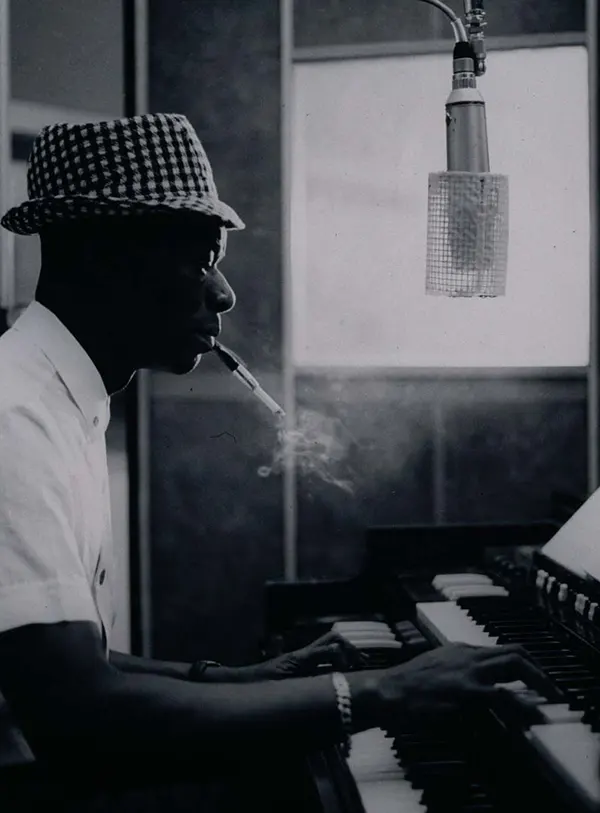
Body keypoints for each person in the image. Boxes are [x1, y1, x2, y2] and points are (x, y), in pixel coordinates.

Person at [0, 114, 553, 809]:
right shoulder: (13, 417)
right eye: (201, 258)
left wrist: (242, 678)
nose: (223, 292)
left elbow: (67, 659)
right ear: (103, 255)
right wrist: (380, 690)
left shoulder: (52, 397)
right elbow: (82, 716)